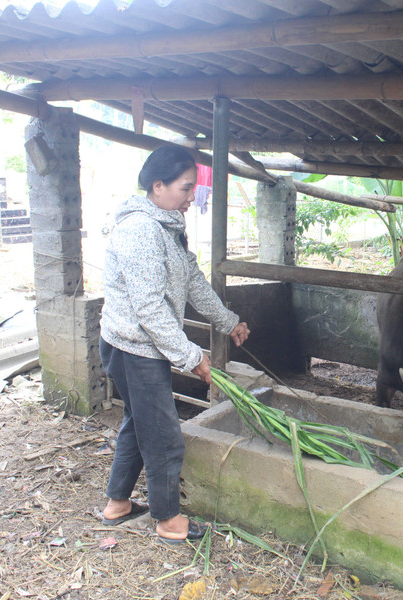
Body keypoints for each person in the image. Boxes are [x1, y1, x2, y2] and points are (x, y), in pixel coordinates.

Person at [98, 146, 250, 544]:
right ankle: (168, 520)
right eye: (186, 188)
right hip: (134, 349)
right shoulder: (141, 231)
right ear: (158, 185)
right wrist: (191, 357)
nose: (191, 196)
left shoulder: (166, 226)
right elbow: (149, 307)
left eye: (193, 188)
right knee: (164, 434)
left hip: (141, 346)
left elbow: (193, 281)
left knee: (138, 421)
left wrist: (228, 321)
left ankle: (118, 504)